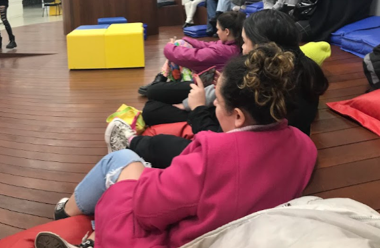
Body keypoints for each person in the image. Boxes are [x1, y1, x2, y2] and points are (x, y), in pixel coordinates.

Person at [35, 44, 317, 248]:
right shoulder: (305, 147)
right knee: (135, 163)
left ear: (239, 116)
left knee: (120, 161)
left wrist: (144, 178)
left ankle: (70, 218)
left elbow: (147, 210)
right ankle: (85, 230)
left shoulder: (212, 154)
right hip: (236, 232)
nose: (214, 106)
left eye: (218, 102)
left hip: (185, 244)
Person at [112, 10, 329, 169]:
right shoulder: (299, 70)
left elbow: (222, 140)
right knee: (156, 111)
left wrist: (199, 108)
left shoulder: (265, 83)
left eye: (245, 42)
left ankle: (131, 144)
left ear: (263, 46)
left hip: (243, 153)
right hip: (257, 141)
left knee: (160, 142)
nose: (241, 47)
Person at [138, 11, 245, 97]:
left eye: (218, 29)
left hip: (204, 83)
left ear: (226, 31)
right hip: (209, 77)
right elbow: (207, 45)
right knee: (180, 44)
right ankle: (162, 78)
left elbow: (192, 56)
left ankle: (162, 79)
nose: (217, 32)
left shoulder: (223, 51)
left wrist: (169, 46)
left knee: (177, 49)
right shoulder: (231, 45)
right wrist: (186, 40)